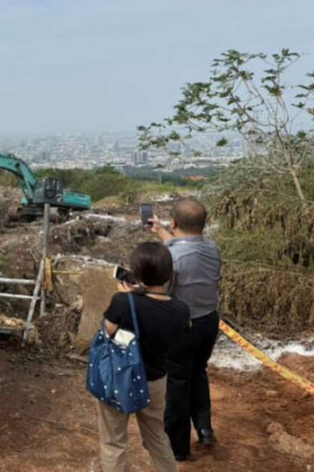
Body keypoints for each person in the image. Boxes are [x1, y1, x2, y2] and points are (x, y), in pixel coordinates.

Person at [97, 242, 190, 472]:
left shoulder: (123, 302)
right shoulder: (181, 309)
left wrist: (126, 298)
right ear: (169, 275)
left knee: (113, 441)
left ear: (135, 274)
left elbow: (107, 331)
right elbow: (173, 325)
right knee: (156, 436)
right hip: (156, 380)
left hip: (121, 378)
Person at [148, 198, 222, 461]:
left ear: (174, 222)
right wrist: (159, 230)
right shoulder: (212, 249)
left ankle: (177, 449)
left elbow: (162, 290)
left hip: (182, 329)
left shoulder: (171, 257)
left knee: (177, 385)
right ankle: (204, 429)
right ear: (205, 224)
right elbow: (183, 246)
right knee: (198, 373)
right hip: (208, 323)